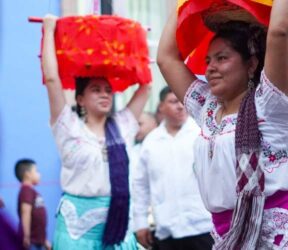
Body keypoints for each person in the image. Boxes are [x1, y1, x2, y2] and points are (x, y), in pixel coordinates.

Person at [157, 1, 288, 249]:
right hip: (229, 235)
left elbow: (281, 32)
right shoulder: (207, 107)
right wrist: (185, 3)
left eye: (222, 58)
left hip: (285, 235)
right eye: (208, 60)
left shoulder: (271, 104)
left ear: (251, 64)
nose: (210, 68)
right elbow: (166, 59)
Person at [42, 15, 149, 249]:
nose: (104, 94)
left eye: (108, 90)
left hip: (117, 226)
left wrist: (138, 40)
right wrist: (49, 31)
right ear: (80, 99)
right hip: (75, 231)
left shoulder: (123, 126)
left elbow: (146, 85)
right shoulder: (68, 127)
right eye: (96, 90)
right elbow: (51, 79)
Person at [133, 86, 213, 250]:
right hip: (166, 228)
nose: (180, 106)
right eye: (173, 101)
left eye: (182, 101)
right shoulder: (151, 142)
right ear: (161, 106)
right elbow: (140, 185)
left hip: (203, 226)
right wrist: (140, 222)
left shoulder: (202, 134)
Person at [15, 159, 51, 250]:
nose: (39, 174)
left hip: (38, 241)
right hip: (31, 242)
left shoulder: (32, 192)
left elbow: (38, 219)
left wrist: (44, 240)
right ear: (28, 174)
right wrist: (26, 236)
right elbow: (25, 212)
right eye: (36, 171)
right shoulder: (26, 191)